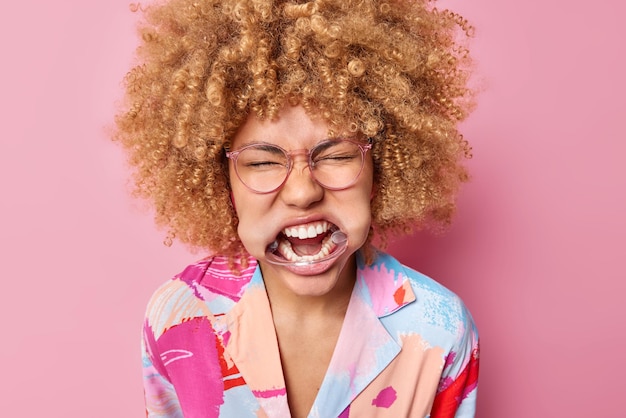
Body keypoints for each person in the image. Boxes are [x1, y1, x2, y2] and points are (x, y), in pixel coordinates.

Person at [114, 0, 479, 416]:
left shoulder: (441, 330)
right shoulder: (178, 317)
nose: (303, 192)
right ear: (223, 184)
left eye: (337, 155)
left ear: (379, 171)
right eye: (264, 162)